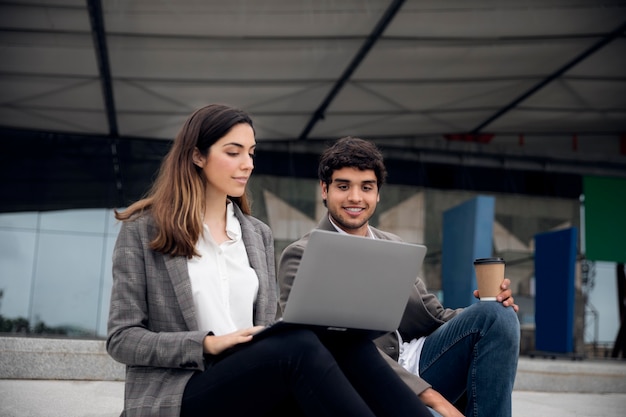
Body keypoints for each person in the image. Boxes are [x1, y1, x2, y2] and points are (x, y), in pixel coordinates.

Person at [106, 104, 433, 417]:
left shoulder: (255, 233)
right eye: (233, 152)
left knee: (346, 341)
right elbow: (122, 339)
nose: (247, 163)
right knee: (300, 345)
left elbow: (265, 324)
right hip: (182, 392)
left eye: (251, 153)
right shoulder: (143, 229)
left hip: (255, 380)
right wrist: (208, 344)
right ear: (197, 155)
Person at [278, 136, 521, 417]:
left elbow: (435, 316)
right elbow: (328, 347)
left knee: (499, 315)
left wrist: (488, 308)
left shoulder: (393, 245)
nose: (355, 197)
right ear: (325, 189)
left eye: (366, 187)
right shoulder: (302, 254)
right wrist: (430, 397)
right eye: (343, 186)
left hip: (418, 362)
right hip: (358, 383)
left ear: (378, 194)